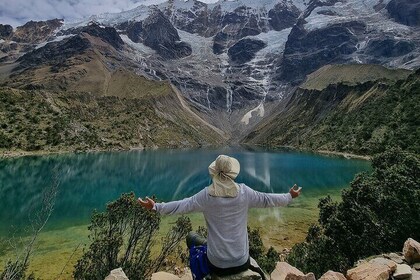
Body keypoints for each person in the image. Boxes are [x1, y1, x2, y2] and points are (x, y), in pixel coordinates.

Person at [138, 154, 302, 277]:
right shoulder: (245, 192)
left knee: (192, 237)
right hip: (241, 261)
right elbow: (267, 200)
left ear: (215, 173)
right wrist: (289, 196)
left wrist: (156, 207)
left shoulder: (206, 196)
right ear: (232, 173)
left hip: (217, 264)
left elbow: (182, 205)